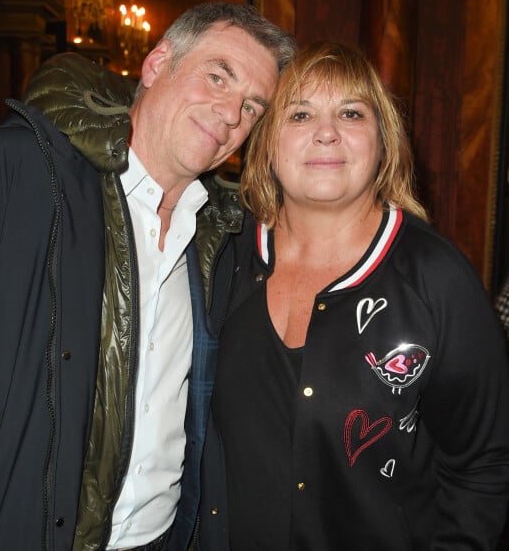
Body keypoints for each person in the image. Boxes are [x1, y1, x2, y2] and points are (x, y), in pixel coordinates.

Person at [0, 2, 297, 551]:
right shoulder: (7, 174)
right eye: (217, 76)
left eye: (251, 106)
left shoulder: (229, 240)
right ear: (156, 64)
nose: (229, 113)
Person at [198, 41, 509, 550]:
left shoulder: (436, 280)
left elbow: (482, 467)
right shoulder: (222, 254)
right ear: (266, 142)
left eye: (350, 112)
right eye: (300, 114)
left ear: (383, 140)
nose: (326, 132)